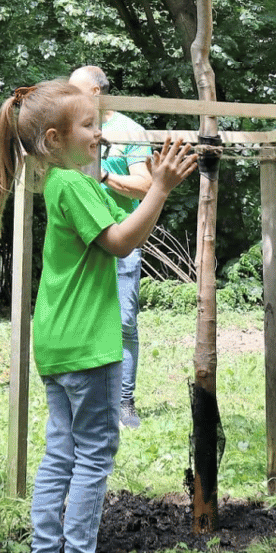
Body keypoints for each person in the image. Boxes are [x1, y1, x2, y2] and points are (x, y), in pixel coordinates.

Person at [0, 80, 196, 553]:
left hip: (58, 343)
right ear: (55, 139)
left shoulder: (58, 182)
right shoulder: (74, 184)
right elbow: (122, 242)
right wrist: (161, 187)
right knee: (94, 458)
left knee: (60, 453)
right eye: (88, 125)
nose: (99, 132)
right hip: (88, 346)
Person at [68, 66, 152, 429]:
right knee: (81, 320)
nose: (70, 97)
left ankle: (123, 403)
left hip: (122, 237)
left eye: (76, 90)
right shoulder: (70, 127)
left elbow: (146, 185)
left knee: (123, 322)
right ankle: (87, 401)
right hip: (79, 239)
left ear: (96, 91)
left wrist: (105, 176)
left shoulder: (130, 131)